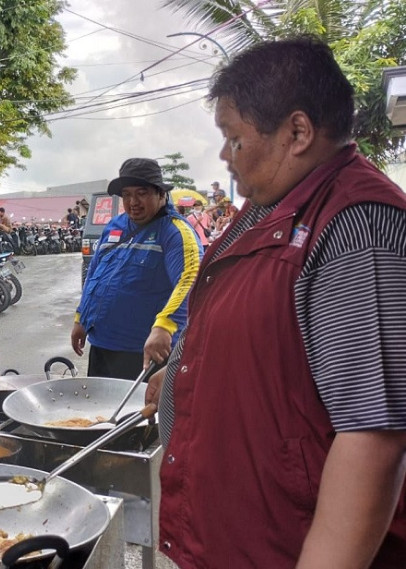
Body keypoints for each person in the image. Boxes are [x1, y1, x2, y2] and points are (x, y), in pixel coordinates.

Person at [147, 37, 406, 568]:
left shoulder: (357, 227)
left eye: (233, 138)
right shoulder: (265, 208)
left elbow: (372, 434)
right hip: (229, 538)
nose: (224, 156)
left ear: (297, 132)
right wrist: (184, 375)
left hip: (286, 546)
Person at [71, 157, 203, 379]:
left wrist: (165, 326)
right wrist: (80, 318)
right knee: (100, 412)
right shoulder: (114, 226)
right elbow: (95, 274)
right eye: (127, 195)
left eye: (142, 193)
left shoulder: (175, 231)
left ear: (161, 194)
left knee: (136, 414)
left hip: (143, 353)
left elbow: (191, 280)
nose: (133, 202)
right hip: (102, 346)